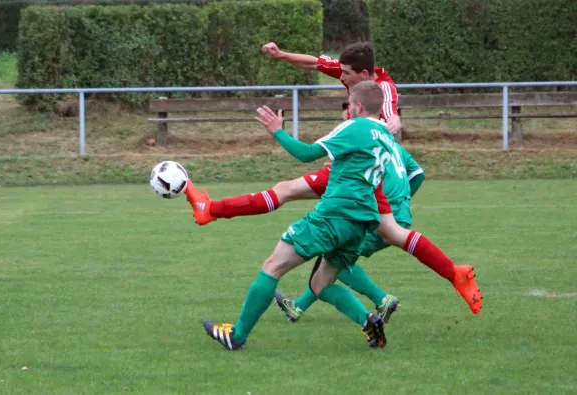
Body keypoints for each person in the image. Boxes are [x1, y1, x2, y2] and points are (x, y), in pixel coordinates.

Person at [187, 41, 483, 315]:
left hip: (358, 171)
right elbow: (315, 63)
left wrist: (395, 121)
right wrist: (282, 55)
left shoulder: (382, 89)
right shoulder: (353, 81)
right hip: (369, 173)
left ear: (364, 75)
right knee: (390, 232)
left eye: (346, 74)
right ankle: (453, 274)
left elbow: (390, 116)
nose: (340, 77)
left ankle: (211, 211)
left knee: (290, 195)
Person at [203, 81, 399, 351]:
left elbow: (306, 154)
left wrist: (277, 132)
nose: (348, 111)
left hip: (334, 216)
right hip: (361, 223)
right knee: (322, 283)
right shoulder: (388, 138)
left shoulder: (355, 126)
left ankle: (237, 336)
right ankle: (369, 321)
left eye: (349, 106)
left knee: (273, 266)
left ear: (358, 106)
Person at [275, 141, 425, 324]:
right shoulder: (395, 147)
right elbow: (418, 174)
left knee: (338, 261)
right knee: (332, 258)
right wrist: (402, 201)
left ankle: (382, 300)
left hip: (380, 218)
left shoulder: (372, 145)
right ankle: (297, 308)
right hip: (398, 218)